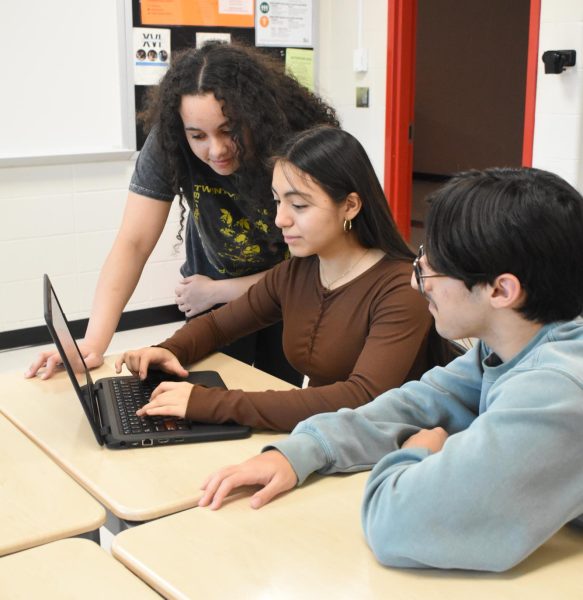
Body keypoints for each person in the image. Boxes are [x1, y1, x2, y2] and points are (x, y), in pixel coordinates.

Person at [197, 167, 583, 571]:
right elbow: (419, 402)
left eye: (433, 270)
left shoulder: (554, 391)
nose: (419, 285)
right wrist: (301, 452)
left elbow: (396, 525)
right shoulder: (510, 343)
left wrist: (415, 454)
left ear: (502, 290)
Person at [25, 42, 339, 385]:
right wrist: (93, 342)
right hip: (210, 292)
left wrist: (219, 291)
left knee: (274, 390)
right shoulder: (169, 142)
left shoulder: (295, 143)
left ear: (255, 117)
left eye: (228, 131)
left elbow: (315, 263)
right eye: (198, 136)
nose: (216, 150)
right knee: (208, 391)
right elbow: (133, 243)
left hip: (286, 292)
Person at [114, 126, 453, 432]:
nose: (280, 220)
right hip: (327, 438)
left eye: (299, 206)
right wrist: (168, 350)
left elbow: (361, 397)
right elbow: (219, 326)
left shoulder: (401, 288)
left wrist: (208, 402)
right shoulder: (298, 270)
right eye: (277, 202)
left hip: (396, 449)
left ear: (350, 206)